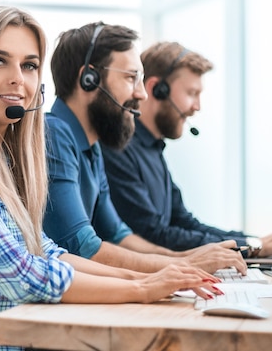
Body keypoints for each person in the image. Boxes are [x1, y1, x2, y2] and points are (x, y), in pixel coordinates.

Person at [0, 8, 223, 351]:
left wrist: (152, 278)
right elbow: (22, 276)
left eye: (29, 65)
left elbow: (43, 249)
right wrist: (143, 288)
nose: (18, 78)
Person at [43, 22, 247, 275]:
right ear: (89, 79)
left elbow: (119, 236)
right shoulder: (54, 133)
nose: (142, 94)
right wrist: (184, 264)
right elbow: (82, 246)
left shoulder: (92, 146)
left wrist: (184, 257)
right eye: (131, 78)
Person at [101, 41, 272, 258]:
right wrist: (253, 246)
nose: (197, 107)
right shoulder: (118, 148)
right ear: (157, 89)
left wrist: (254, 242)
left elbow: (183, 222)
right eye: (192, 93)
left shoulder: (152, 148)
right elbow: (152, 235)